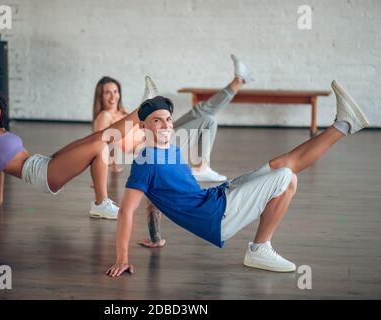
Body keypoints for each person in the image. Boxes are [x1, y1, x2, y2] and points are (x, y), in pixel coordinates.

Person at [106, 80, 370, 276]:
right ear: (143, 127)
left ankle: (344, 124)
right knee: (286, 176)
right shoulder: (144, 161)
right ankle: (258, 250)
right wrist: (122, 258)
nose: (166, 125)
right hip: (216, 216)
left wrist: (155, 237)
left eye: (168, 119)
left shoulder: (171, 149)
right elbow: (126, 212)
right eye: (157, 121)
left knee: (283, 166)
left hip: (218, 197)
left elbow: (156, 200)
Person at [91, 55, 252, 244]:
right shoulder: (104, 117)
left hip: (162, 134)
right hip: (156, 148)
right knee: (205, 115)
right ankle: (237, 82)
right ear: (100, 96)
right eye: (107, 93)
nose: (113, 96)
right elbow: (101, 144)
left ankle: (238, 81)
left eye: (115, 91)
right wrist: (111, 167)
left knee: (203, 114)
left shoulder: (123, 111)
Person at [0, 85, 147, 220]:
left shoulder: (0, 130)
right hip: (40, 174)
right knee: (102, 139)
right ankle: (143, 109)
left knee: (97, 139)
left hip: (42, 162)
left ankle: (100, 203)